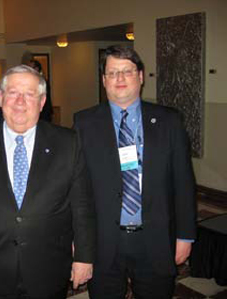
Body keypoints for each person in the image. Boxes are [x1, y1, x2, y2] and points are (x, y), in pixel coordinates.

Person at [0, 65, 94, 298]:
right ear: (1, 98)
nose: (20, 101)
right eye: (13, 93)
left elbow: (82, 206)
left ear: (42, 102)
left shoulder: (68, 143)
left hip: (48, 265)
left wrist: (84, 257)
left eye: (29, 94)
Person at [74, 45, 196, 298]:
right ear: (104, 80)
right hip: (104, 241)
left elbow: (184, 183)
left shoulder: (169, 120)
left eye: (127, 71)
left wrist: (185, 236)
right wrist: (79, 242)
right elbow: (78, 189)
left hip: (156, 238)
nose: (119, 78)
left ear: (140, 77)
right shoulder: (83, 123)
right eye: (112, 72)